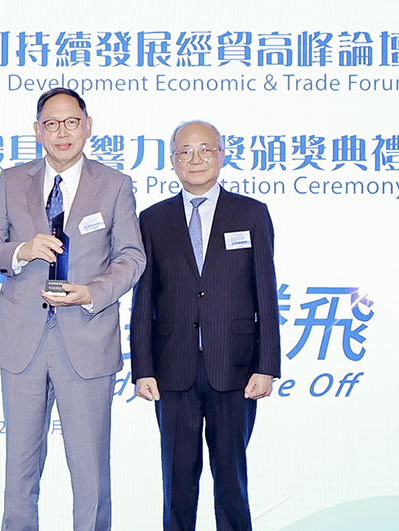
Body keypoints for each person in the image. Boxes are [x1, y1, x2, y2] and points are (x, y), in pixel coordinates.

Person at [0, 88, 145, 531]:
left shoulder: (115, 185)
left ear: (88, 126)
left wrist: (90, 293)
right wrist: (22, 250)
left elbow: (131, 257)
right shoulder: (12, 180)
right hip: (22, 343)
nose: (62, 132)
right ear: (38, 131)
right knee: (20, 470)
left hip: (87, 339)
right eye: (51, 124)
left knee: (90, 472)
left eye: (71, 122)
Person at [130, 120, 281, 531]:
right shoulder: (153, 219)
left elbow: (266, 293)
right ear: (172, 160)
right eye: (185, 151)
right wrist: (142, 368)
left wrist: (267, 365)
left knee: (231, 481)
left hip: (235, 367)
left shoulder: (250, 213)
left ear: (221, 156)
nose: (195, 159)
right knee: (177, 483)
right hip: (172, 369)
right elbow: (143, 300)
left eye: (205, 149)